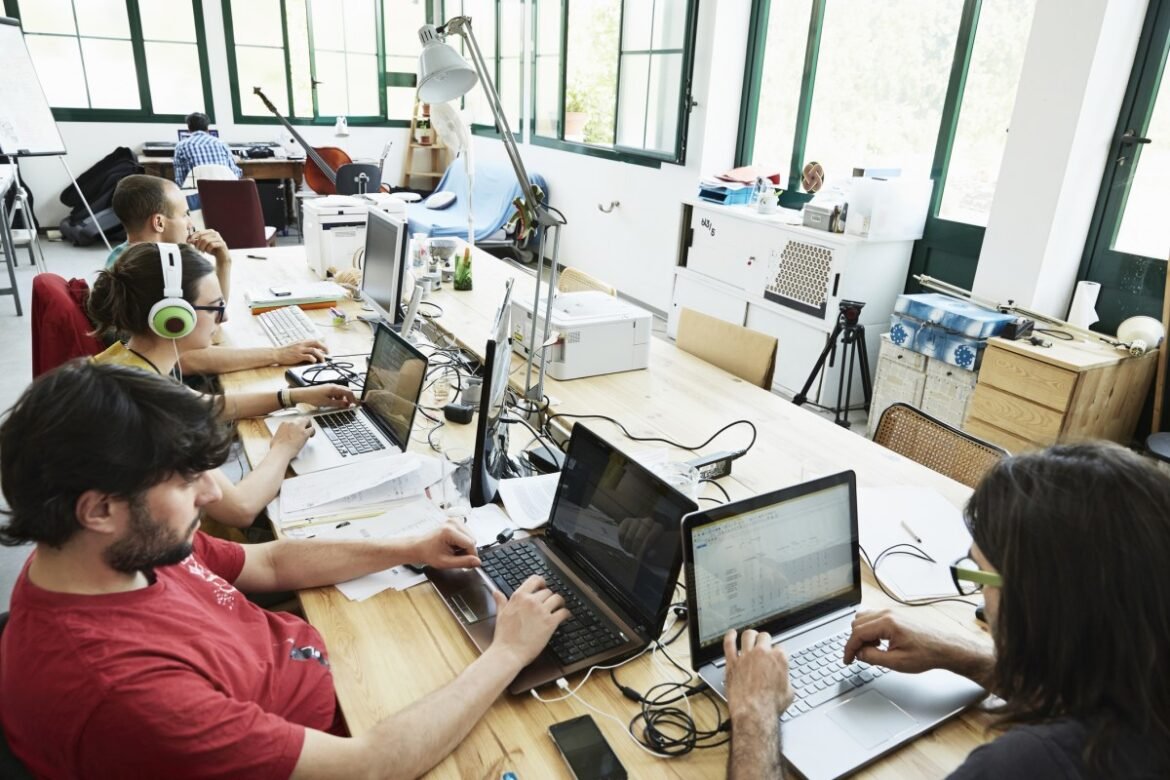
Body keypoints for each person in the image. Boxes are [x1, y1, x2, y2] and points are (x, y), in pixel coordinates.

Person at [0, 361, 570, 778]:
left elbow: (266, 559)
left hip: (330, 673)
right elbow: (368, 766)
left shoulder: (110, 552)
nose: (209, 492)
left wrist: (407, 548)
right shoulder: (128, 697)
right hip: (351, 741)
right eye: (183, 479)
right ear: (98, 508)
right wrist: (508, 653)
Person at [724, 442, 1170, 778]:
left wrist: (754, 711)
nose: (980, 601)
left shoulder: (1024, 767)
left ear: (1042, 604)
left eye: (981, 576)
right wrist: (963, 654)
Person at [88, 242, 355, 533]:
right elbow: (240, 508)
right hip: (170, 541)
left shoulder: (123, 360)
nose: (224, 318)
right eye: (215, 308)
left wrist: (294, 396)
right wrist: (283, 448)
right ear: (173, 318)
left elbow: (208, 405)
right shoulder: (150, 406)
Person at [106, 174, 329, 373]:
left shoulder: (131, 256)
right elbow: (184, 360)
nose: (190, 224)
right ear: (159, 222)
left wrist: (224, 261)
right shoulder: (144, 274)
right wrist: (277, 354)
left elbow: (213, 316)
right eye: (184, 215)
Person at [173, 111, 242, 188]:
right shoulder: (221, 144)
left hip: (197, 196)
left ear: (189, 128)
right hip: (225, 193)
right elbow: (235, 173)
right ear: (207, 128)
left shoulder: (181, 146)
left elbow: (180, 180)